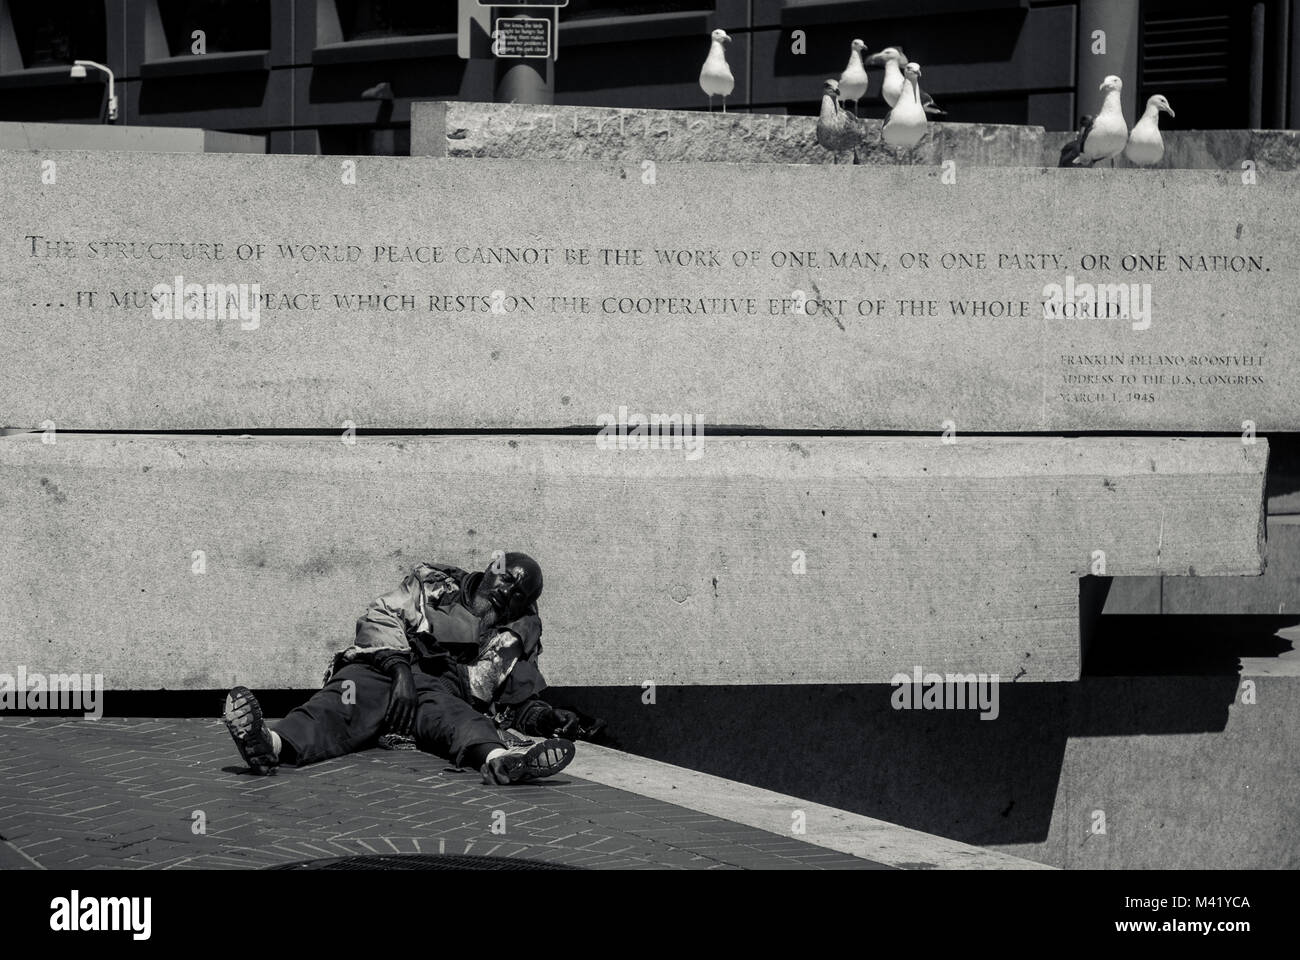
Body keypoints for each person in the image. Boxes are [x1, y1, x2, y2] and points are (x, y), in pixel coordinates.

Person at [222, 551, 587, 784]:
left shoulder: (516, 634)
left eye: (518, 594)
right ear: (492, 569)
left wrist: (546, 717)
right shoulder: (433, 584)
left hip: (441, 692)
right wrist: (399, 671)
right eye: (506, 579)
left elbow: (515, 698)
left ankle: (501, 761)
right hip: (386, 669)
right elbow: (381, 614)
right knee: (341, 699)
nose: (506, 593)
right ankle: (268, 743)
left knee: (460, 718)